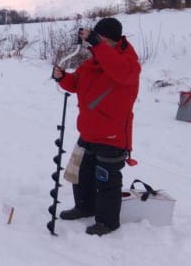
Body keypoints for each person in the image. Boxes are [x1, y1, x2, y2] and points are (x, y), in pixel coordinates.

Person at [52, 17, 141, 236]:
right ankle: (84, 207)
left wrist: (98, 45)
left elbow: (118, 70)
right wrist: (62, 77)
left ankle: (107, 222)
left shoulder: (128, 63)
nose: (94, 44)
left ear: (110, 40)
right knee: (80, 174)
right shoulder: (92, 63)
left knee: (107, 180)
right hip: (88, 131)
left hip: (111, 135)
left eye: (99, 39)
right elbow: (75, 84)